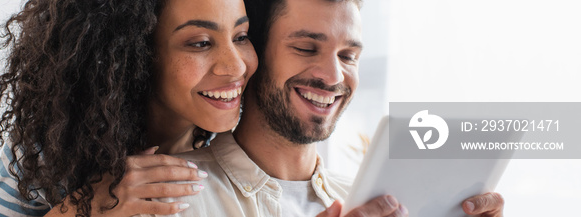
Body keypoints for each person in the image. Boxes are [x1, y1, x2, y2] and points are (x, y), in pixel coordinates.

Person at [0, 0, 257, 216]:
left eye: (241, 36)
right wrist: (88, 205)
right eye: (200, 43)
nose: (237, 66)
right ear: (136, 56)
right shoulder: (53, 139)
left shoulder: (235, 132)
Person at [146, 0, 506, 216]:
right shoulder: (167, 197)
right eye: (305, 48)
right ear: (252, 52)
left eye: (348, 56)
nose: (333, 76)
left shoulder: (372, 202)